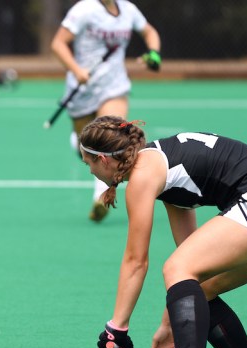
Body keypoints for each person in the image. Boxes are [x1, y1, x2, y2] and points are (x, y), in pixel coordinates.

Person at [80, 116, 247, 348]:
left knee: (175, 267)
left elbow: (136, 261)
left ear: (104, 160)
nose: (91, 172)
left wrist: (116, 328)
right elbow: (193, 274)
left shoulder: (144, 175)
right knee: (203, 288)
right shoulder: (164, 170)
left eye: (89, 164)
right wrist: (173, 322)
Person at [50, 0, 161, 222]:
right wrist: (76, 70)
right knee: (85, 144)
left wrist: (154, 53)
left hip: (114, 87)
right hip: (82, 88)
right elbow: (58, 44)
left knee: (109, 140)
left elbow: (149, 31)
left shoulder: (127, 10)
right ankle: (76, 142)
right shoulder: (85, 9)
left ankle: (100, 198)